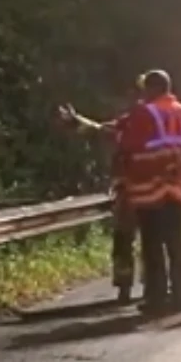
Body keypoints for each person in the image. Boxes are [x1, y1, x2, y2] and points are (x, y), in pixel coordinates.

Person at [62, 69, 181, 313]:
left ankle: (156, 298)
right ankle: (180, 297)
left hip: (150, 191)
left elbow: (123, 141)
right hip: (179, 191)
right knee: (176, 245)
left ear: (152, 88)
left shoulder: (144, 113)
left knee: (153, 247)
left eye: (144, 89)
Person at [57, 96, 143, 303]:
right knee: (128, 242)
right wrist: (76, 120)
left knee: (139, 243)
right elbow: (98, 129)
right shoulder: (130, 124)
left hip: (143, 194)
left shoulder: (141, 126)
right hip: (133, 195)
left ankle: (146, 288)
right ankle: (134, 287)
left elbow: (99, 130)